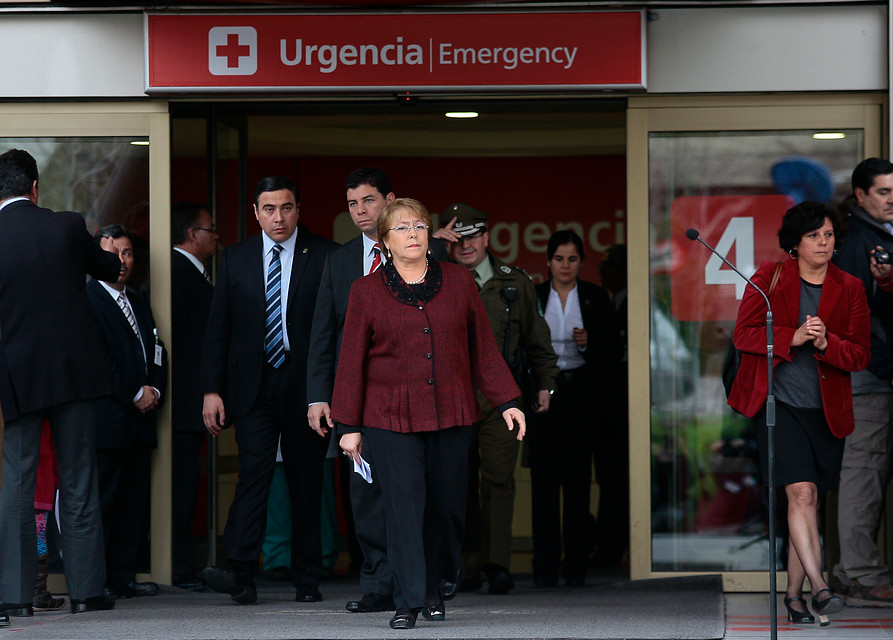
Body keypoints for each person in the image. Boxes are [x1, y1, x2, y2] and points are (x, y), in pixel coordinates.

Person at [332, 198, 526, 629]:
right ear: (384, 241)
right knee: (403, 507)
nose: (414, 233)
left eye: (420, 225)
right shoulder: (365, 291)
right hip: (388, 417)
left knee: (446, 508)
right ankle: (407, 600)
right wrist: (348, 427)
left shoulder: (458, 282)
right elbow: (350, 362)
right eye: (402, 228)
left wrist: (507, 400)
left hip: (452, 413)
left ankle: (436, 585)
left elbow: (483, 349)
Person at [306, 168, 452, 613]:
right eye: (352, 204)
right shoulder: (340, 260)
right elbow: (324, 335)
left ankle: (424, 583)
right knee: (366, 494)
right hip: (361, 399)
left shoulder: (430, 253)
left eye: (368, 201)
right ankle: (378, 585)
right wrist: (319, 395)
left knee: (420, 495)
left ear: (389, 200)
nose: (360, 211)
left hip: (416, 398)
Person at [728, 200, 870, 625]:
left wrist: (827, 344)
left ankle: (793, 597)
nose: (823, 243)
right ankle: (821, 588)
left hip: (826, 413)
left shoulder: (851, 287)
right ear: (795, 243)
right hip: (780, 405)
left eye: (828, 235)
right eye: (813, 236)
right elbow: (744, 335)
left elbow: (860, 354)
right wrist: (793, 337)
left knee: (808, 505)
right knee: (801, 494)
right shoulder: (769, 278)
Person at [201, 176, 336, 604]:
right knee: (253, 476)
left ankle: (308, 577)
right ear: (256, 213)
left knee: (306, 480)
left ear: (299, 209)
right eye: (269, 209)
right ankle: (240, 572)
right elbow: (218, 327)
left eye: (287, 208)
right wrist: (211, 389)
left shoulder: (326, 255)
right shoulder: (235, 258)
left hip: (306, 385)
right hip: (252, 386)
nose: (279, 218)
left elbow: (335, 328)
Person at [0, 148, 121, 616]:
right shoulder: (67, 226)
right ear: (35, 188)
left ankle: (13, 597)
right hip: (75, 373)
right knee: (77, 480)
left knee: (16, 483)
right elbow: (111, 269)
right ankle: (87, 593)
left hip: (18, 376)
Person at [440, 203, 558, 594]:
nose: (466, 245)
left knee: (498, 480)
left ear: (487, 238)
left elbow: (537, 339)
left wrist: (545, 383)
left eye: (473, 236)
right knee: (457, 483)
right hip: (449, 397)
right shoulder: (434, 277)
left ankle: (497, 565)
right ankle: (465, 566)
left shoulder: (514, 283)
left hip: (500, 397)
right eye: (458, 238)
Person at [528, 230, 622, 587]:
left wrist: (591, 341)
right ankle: (545, 567)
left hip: (583, 397)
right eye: (558, 259)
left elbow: (614, 352)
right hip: (543, 397)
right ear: (548, 262)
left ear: (581, 263)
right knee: (544, 483)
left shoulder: (597, 297)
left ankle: (576, 566)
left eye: (572, 259)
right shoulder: (535, 296)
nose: (565, 266)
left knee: (579, 483)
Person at [87, 224, 168, 599]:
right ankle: (97, 582)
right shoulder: (87, 298)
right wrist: (134, 392)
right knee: (103, 505)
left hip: (140, 420)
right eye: (111, 253)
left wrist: (154, 389)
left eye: (128, 253)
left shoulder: (136, 299)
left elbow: (155, 348)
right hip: (109, 421)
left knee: (133, 505)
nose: (121, 261)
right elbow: (98, 359)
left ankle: (123, 578)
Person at [831, 157, 893, 606]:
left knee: (868, 473)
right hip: (869, 377)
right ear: (861, 196)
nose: (892, 199)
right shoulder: (858, 242)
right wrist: (886, 367)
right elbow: (857, 318)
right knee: (864, 474)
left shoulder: (873, 236)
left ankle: (850, 570)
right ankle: (860, 573)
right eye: (884, 192)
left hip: (872, 373)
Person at [170, 201, 217, 591]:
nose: (216, 236)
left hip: (188, 401)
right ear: (191, 235)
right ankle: (177, 566)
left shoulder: (193, 273)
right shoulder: (178, 273)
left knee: (187, 484)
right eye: (210, 229)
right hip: (181, 401)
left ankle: (182, 563)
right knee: (180, 486)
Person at [592, 243, 630, 568]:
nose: (601, 271)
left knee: (618, 480)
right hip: (607, 412)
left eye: (609, 265)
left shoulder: (633, 305)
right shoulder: (611, 302)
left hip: (624, 412)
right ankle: (609, 548)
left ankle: (614, 549)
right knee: (609, 479)